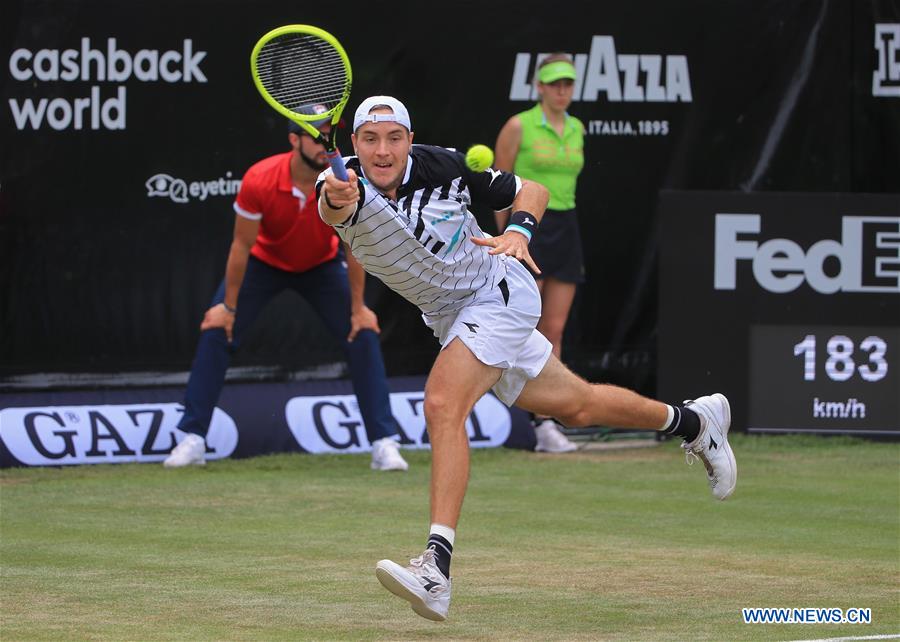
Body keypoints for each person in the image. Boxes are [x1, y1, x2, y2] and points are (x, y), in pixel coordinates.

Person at [318, 96, 737, 622]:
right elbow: (336, 206)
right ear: (353, 144)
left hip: (498, 293)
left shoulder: (445, 164)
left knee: (443, 405)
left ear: (409, 138)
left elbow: (532, 191)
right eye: (371, 140)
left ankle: (436, 572)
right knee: (577, 406)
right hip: (451, 315)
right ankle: (695, 422)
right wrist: (336, 195)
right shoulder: (340, 187)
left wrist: (519, 229)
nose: (384, 151)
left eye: (394, 138)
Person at [164, 104, 408, 472]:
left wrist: (358, 307)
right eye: (315, 135)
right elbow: (241, 246)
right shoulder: (260, 179)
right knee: (217, 328)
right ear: (293, 140)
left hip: (323, 266)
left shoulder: (346, 179)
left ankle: (383, 443)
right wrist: (227, 308)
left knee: (364, 333)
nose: (325, 142)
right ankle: (192, 438)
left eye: (329, 133)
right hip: (265, 263)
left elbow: (354, 245)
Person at [494, 53, 584, 454]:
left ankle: (547, 423)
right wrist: (509, 235)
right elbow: (497, 184)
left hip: (567, 228)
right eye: (555, 83)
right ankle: (520, 413)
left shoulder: (578, 128)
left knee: (555, 329)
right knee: (522, 325)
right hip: (528, 228)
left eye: (568, 83)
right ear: (540, 87)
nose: (562, 90)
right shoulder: (519, 126)